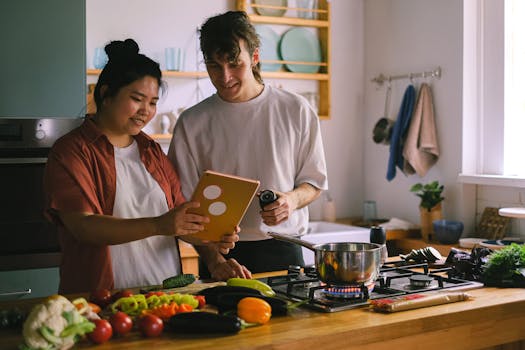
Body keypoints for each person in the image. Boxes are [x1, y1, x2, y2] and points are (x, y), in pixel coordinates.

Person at [44, 39, 239, 294]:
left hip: (164, 297)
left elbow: (178, 220)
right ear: (105, 94)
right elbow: (84, 227)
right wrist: (159, 225)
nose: (145, 111)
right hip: (100, 299)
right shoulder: (72, 151)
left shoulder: (152, 151)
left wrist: (215, 255)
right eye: (137, 99)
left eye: (153, 102)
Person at [168, 11, 328, 280]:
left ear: (254, 57)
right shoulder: (191, 122)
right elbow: (182, 207)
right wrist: (214, 259)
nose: (225, 76)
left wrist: (290, 200)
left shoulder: (295, 110)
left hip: (285, 248)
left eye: (234, 64)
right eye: (214, 66)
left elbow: (314, 182)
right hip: (220, 255)